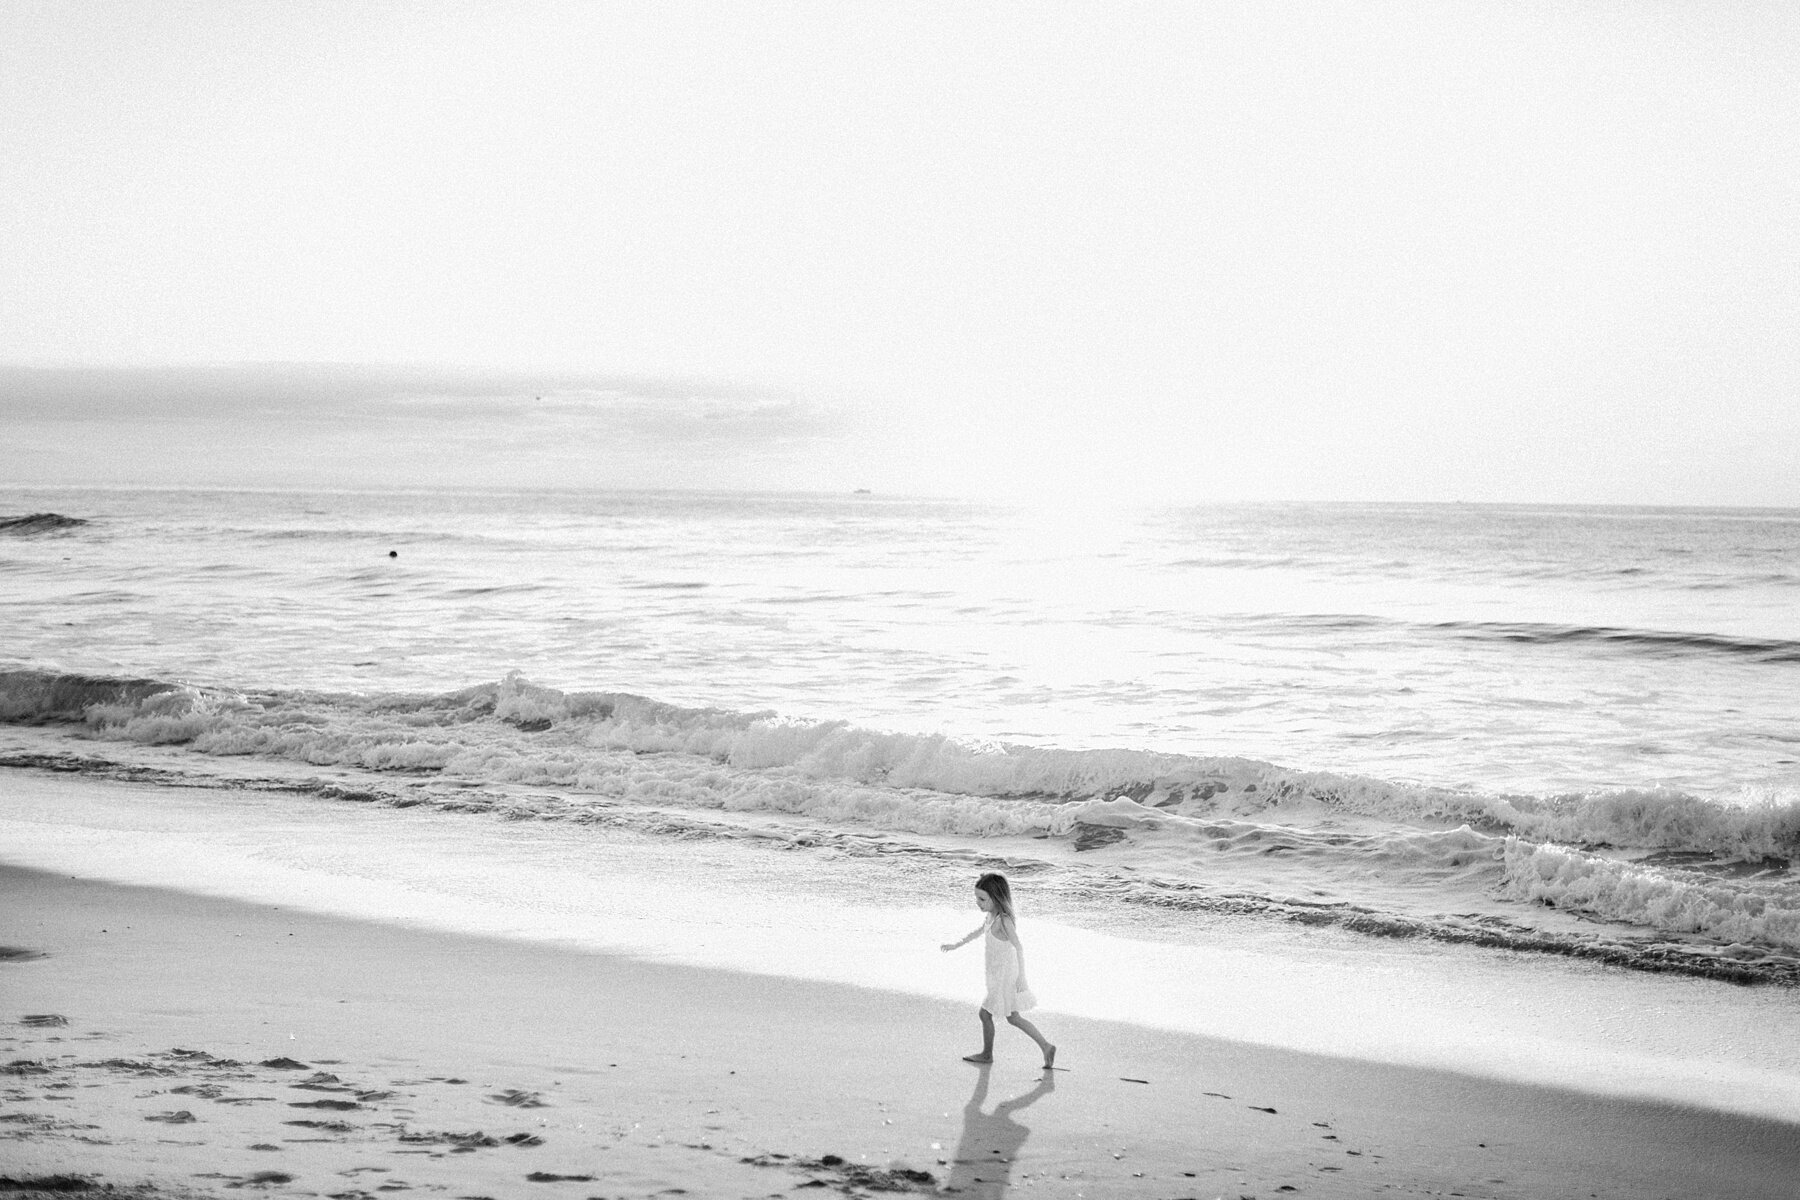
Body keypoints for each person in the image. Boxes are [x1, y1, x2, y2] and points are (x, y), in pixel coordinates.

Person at [940, 872, 1057, 1068]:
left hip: (1005, 976)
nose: (978, 902)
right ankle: (1046, 1046)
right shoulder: (990, 916)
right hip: (995, 974)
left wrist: (1023, 978)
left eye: (982, 899)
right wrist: (955, 945)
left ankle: (987, 1055)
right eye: (977, 898)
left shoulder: (1004, 920)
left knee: (985, 1014)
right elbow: (977, 933)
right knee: (1013, 1018)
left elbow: (1019, 947)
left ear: (996, 898)